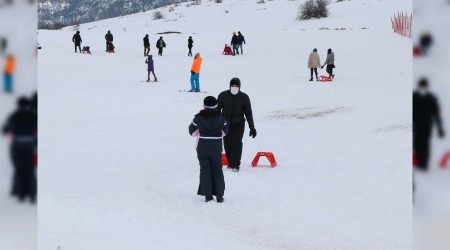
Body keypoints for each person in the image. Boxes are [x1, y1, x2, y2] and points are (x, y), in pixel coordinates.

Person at [189, 96, 228, 202]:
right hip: (216, 148)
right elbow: (225, 131)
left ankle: (208, 195)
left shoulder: (198, 117)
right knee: (217, 170)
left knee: (205, 170)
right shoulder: (221, 117)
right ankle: (219, 196)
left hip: (202, 147)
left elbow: (192, 132)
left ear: (204, 105)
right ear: (216, 105)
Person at [217, 78, 256, 172]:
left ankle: (236, 164)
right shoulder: (223, 95)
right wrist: (216, 124)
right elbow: (217, 110)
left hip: (239, 123)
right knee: (227, 142)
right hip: (225, 124)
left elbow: (248, 113)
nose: (234, 88)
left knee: (237, 143)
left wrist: (252, 127)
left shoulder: (244, 97)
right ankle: (230, 162)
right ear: (229, 86)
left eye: (236, 86)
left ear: (239, 87)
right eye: (233, 86)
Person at [3, 97, 37, 203]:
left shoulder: (14, 116)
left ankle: (21, 194)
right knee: (31, 170)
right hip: (30, 145)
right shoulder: (34, 116)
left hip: (17, 146)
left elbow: (5, 130)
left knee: (19, 169)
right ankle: (32, 194)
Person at [413, 78, 445, 171]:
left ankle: (424, 164)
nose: (422, 88)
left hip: (426, 126)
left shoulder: (431, 98)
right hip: (415, 125)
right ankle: (418, 162)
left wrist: (440, 128)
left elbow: (436, 114)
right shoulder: (414, 97)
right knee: (417, 144)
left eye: (424, 86)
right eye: (421, 86)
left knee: (425, 144)